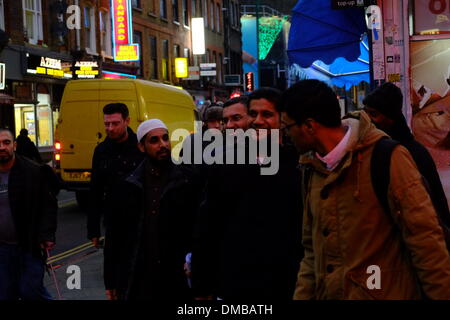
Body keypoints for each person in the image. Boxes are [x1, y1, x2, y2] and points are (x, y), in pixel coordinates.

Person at [280, 79, 450, 299]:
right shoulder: (311, 168)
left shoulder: (387, 157)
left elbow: (426, 242)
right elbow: (312, 251)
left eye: (287, 127)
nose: (286, 135)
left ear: (310, 126)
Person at [191, 88, 302, 300]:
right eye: (253, 114)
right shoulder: (225, 165)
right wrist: (201, 286)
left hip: (289, 282)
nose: (258, 121)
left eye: (267, 114)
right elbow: (208, 228)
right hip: (238, 282)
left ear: (282, 119)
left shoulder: (299, 164)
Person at [110, 119, 197, 300]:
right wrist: (111, 281)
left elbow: (196, 228)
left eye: (165, 138)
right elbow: (116, 236)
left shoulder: (186, 179)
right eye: (154, 140)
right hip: (142, 277)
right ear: (142, 147)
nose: (163, 145)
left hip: (176, 275)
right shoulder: (130, 184)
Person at [363, 82, 450, 226]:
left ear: (390, 118)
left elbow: (435, 202)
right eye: (365, 113)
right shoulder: (371, 149)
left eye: (373, 114)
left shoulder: (414, 153)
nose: (368, 121)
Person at [87, 103, 144, 300]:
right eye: (107, 124)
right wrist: (93, 229)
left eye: (115, 123)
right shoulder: (101, 151)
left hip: (141, 220)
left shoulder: (141, 146)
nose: (110, 128)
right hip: (114, 221)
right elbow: (94, 191)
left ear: (127, 121)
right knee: (115, 272)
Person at [0, 128, 57, 300]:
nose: (2, 147)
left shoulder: (33, 171)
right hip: (2, 249)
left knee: (30, 291)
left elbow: (48, 204)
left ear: (15, 145)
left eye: (6, 142)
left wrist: (47, 234)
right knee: (5, 293)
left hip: (29, 245)